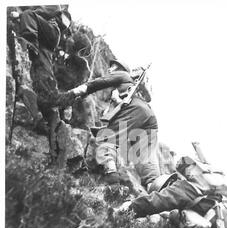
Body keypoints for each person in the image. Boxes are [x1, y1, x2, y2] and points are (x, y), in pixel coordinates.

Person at [71, 59, 161, 187]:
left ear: (120, 69)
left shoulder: (123, 75)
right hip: (149, 118)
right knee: (145, 161)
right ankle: (157, 188)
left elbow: (98, 83)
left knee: (107, 137)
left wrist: (74, 92)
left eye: (112, 67)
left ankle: (111, 176)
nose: (109, 70)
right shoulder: (133, 87)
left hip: (134, 109)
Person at [16, 5, 77, 161]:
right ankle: (49, 134)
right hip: (47, 49)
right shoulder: (57, 18)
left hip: (51, 36)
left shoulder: (56, 11)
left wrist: (20, 16)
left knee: (28, 14)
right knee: (48, 103)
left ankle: (30, 40)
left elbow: (34, 14)